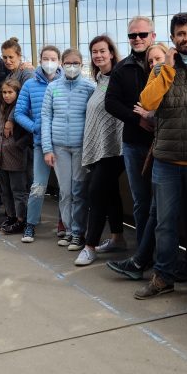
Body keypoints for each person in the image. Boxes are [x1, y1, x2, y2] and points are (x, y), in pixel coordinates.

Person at [134, 12, 187, 303]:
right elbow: (147, 102)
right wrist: (166, 70)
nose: (186, 38)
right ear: (172, 37)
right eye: (181, 33)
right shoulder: (160, 71)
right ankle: (163, 277)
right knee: (165, 223)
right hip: (166, 161)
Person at [103, 18, 157, 276]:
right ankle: (143, 253)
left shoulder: (163, 64)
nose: (137, 39)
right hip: (135, 143)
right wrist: (138, 119)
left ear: (153, 35)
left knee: (164, 203)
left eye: (142, 34)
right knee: (141, 201)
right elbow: (111, 102)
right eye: (132, 35)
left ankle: (159, 254)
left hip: (163, 144)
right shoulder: (123, 68)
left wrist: (152, 119)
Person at [74, 34, 126, 267]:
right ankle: (117, 237)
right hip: (101, 148)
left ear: (112, 52)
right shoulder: (100, 79)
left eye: (102, 51)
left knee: (96, 192)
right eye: (94, 52)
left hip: (117, 148)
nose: (98, 55)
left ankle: (90, 246)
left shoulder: (120, 77)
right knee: (110, 192)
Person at [41, 48, 95, 249]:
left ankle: (79, 232)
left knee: (79, 190)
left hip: (81, 148)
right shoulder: (52, 88)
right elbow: (46, 117)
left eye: (76, 63)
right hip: (59, 147)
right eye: (68, 63)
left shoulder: (89, 88)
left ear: (82, 65)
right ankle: (70, 230)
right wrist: (48, 148)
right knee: (65, 191)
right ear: (62, 65)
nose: (72, 67)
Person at [15, 45, 63, 243]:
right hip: (40, 143)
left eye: (53, 59)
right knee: (38, 186)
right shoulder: (30, 85)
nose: (49, 62)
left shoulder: (65, 83)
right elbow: (19, 113)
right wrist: (35, 127)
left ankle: (65, 223)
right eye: (45, 58)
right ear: (40, 60)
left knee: (66, 188)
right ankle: (30, 224)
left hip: (63, 142)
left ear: (59, 61)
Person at [0, 78, 31, 233]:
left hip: (15, 155)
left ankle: (21, 219)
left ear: (18, 93)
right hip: (1, 155)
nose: (7, 95)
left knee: (18, 190)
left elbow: (30, 132)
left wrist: (18, 144)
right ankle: (11, 216)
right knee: (5, 190)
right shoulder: (2, 108)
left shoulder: (22, 109)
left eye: (10, 92)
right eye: (4, 92)